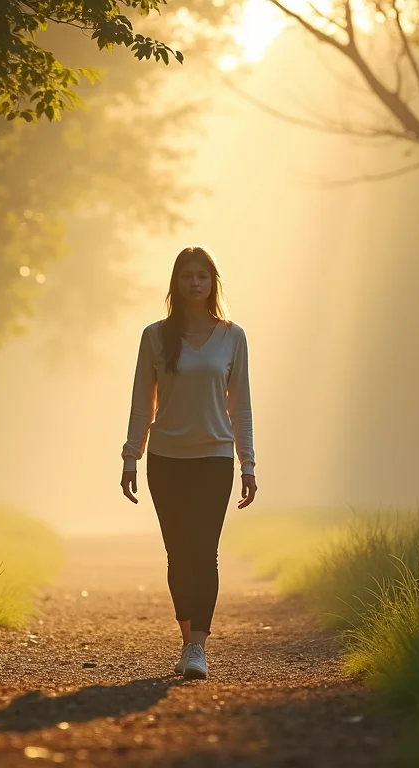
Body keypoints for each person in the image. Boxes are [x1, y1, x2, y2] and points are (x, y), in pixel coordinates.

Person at [119, 245, 257, 681]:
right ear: (176, 283)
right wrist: (130, 455)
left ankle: (198, 646)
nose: (195, 282)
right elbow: (143, 400)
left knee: (204, 550)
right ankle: (186, 640)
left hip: (215, 456)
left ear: (212, 282)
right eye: (187, 275)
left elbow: (242, 406)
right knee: (177, 554)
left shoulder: (233, 336)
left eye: (203, 275)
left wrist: (248, 463)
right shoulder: (155, 336)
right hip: (166, 458)